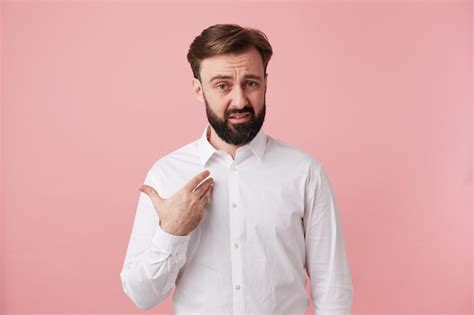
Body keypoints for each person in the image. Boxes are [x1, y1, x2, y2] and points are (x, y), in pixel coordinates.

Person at [120, 23, 354, 314]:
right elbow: (142, 296)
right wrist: (172, 231)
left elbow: (333, 291)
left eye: (251, 83)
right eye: (222, 86)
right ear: (198, 89)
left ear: (266, 83)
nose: (240, 100)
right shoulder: (166, 175)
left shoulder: (305, 173)